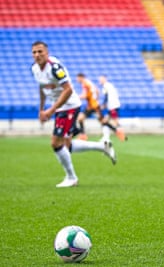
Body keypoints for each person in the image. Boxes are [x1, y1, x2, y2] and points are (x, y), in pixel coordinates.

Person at [31, 41, 117, 188]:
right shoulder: (35, 69)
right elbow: (42, 89)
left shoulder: (54, 68)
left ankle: (71, 178)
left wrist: (51, 110)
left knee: (55, 143)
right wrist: (41, 109)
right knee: (66, 145)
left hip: (69, 106)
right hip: (60, 107)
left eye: (40, 52)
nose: (37, 55)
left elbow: (68, 89)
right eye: (34, 52)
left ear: (47, 52)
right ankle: (102, 147)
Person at [76, 73, 125, 142]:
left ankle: (83, 135)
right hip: (94, 105)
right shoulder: (89, 83)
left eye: (77, 78)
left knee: (81, 118)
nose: (77, 80)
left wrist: (76, 98)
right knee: (101, 121)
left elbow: (85, 95)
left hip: (92, 106)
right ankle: (117, 131)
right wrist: (96, 99)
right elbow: (97, 91)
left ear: (81, 77)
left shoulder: (85, 84)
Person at [98, 75, 127, 142]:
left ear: (104, 79)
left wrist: (103, 104)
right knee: (105, 121)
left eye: (101, 79)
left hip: (112, 106)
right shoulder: (110, 85)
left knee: (113, 122)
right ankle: (107, 137)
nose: (100, 81)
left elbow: (106, 96)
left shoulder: (105, 86)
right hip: (114, 105)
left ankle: (120, 134)